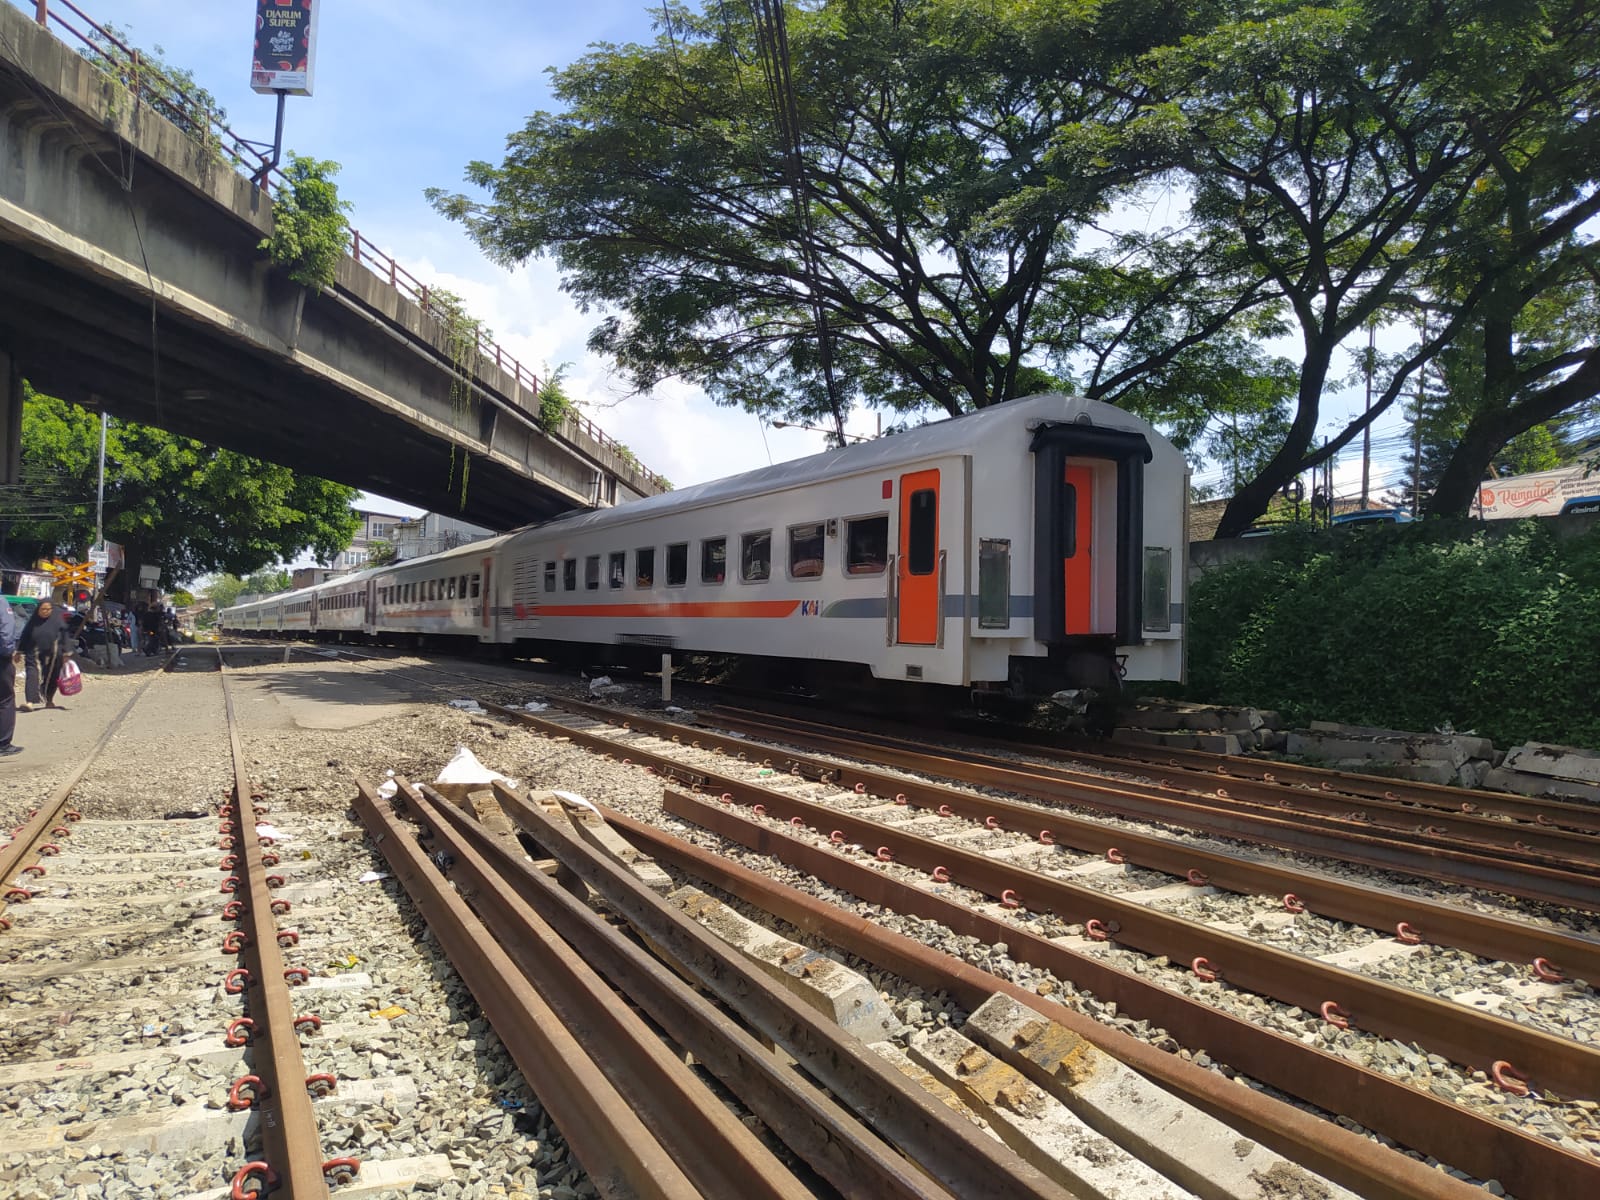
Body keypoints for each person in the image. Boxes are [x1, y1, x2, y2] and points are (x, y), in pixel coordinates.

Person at [19, 598, 71, 711]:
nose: (45, 612)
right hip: (34, 651)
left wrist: (67, 653)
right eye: (42, 609)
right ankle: (30, 702)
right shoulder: (33, 621)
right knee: (32, 674)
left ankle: (49, 699)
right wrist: (19, 651)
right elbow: (25, 635)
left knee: (52, 676)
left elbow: (65, 637)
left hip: (54, 653)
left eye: (48, 609)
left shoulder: (57, 620)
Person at [0, 597, 19, 757]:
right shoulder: (1, 602)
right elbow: (6, 631)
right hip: (1, 660)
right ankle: (3, 743)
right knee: (5, 698)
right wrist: (7, 653)